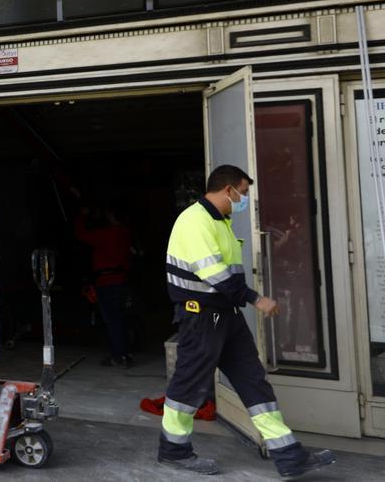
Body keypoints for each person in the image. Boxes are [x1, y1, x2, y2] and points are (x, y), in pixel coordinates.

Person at [157, 165, 334, 478]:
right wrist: (256, 299)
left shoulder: (221, 221)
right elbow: (217, 275)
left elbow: (227, 275)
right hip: (201, 316)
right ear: (229, 190)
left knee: (253, 380)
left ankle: (288, 455)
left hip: (225, 316)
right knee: (189, 383)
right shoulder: (194, 221)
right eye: (243, 193)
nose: (244, 200)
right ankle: (174, 450)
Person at [75, 204, 133, 368]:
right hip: (121, 281)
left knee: (112, 321)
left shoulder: (107, 234)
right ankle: (124, 354)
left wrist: (82, 216)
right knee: (120, 319)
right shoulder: (125, 233)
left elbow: (81, 234)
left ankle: (118, 356)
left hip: (107, 282)